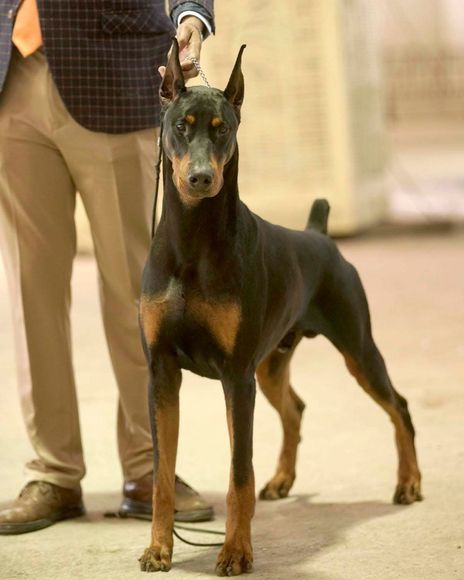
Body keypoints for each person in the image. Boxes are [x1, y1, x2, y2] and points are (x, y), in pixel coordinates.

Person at [0, 0, 214, 535]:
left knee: (135, 289)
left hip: (113, 69)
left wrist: (192, 12)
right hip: (11, 73)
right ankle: (54, 470)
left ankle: (148, 466)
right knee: (31, 289)